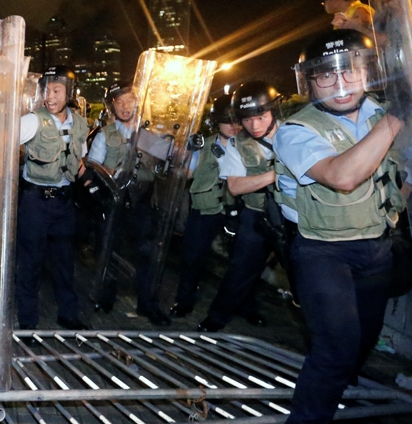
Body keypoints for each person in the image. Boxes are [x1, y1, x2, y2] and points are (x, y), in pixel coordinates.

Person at [275, 29, 405, 424]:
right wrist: (397, 118)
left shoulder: (381, 112)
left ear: (367, 71)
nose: (341, 82)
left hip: (377, 246)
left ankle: (343, 406)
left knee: (360, 345)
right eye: (325, 76)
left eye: (349, 69)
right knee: (333, 350)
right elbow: (343, 176)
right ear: (309, 84)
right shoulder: (295, 130)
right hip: (322, 252)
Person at [197, 81, 281, 332]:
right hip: (256, 214)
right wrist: (277, 175)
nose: (254, 126)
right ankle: (217, 318)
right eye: (246, 119)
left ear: (273, 112)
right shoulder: (236, 145)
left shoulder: (294, 133)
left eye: (261, 117)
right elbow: (235, 186)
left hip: (294, 216)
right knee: (241, 269)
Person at [87, 81, 171, 326]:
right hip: (114, 202)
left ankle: (148, 304)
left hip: (143, 202)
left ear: (138, 102)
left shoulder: (148, 135)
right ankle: (105, 299)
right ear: (113, 106)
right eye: (119, 102)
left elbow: (169, 162)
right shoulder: (106, 134)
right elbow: (93, 164)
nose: (124, 107)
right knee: (109, 251)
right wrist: (112, 172)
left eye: (129, 101)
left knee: (147, 256)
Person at [16, 66, 89, 334]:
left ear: (69, 93)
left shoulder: (80, 124)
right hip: (35, 202)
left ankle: (68, 316)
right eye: (46, 90)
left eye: (56, 90)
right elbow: (2, 144)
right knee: (30, 263)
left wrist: (90, 184)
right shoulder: (33, 120)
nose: (50, 96)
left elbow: (78, 159)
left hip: (64, 202)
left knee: (64, 263)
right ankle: (27, 321)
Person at [170, 95, 241, 317]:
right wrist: (176, 157)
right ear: (216, 121)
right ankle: (184, 301)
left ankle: (245, 305)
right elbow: (187, 173)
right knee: (192, 258)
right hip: (204, 208)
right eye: (226, 120)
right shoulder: (203, 145)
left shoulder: (248, 146)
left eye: (237, 120)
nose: (233, 126)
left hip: (237, 209)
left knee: (243, 261)